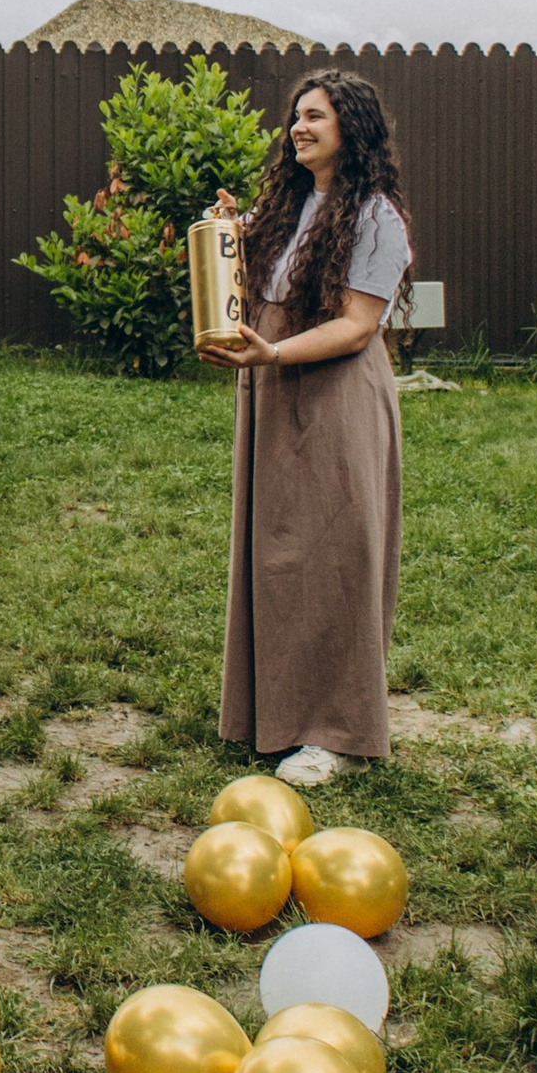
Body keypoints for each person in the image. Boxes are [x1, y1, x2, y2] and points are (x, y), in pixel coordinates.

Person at [202, 68, 411, 787]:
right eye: (296, 115)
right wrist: (226, 237)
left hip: (335, 394)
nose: (300, 126)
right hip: (274, 388)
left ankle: (336, 732)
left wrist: (273, 353)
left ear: (350, 129)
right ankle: (275, 712)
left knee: (336, 556)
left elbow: (357, 325)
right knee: (276, 552)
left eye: (316, 116)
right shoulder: (287, 209)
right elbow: (248, 290)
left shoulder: (376, 217)